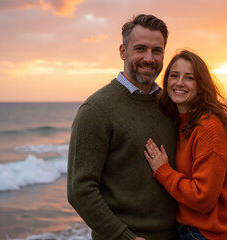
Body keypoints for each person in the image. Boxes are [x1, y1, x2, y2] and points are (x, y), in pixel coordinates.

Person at [67, 14, 178, 240]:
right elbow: (80, 190)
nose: (149, 58)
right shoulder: (95, 110)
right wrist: (124, 237)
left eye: (157, 50)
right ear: (122, 51)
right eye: (140, 49)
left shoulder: (170, 106)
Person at [144, 49, 227, 240]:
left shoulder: (209, 128)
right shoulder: (183, 122)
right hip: (191, 231)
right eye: (174, 75)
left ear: (200, 85)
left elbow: (203, 198)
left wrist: (163, 171)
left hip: (208, 235)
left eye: (189, 77)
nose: (179, 83)